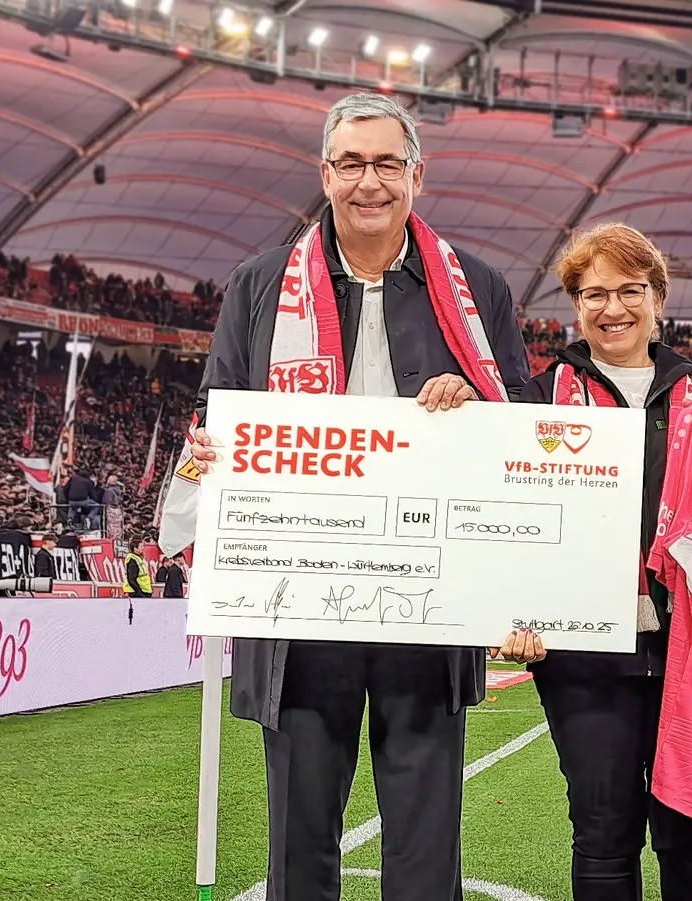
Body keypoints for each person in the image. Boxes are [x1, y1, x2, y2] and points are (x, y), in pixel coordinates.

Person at [186, 92, 530, 901]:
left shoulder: (475, 287)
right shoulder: (261, 283)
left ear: (417, 173)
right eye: (350, 163)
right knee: (299, 841)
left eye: (385, 163)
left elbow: (521, 427)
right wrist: (209, 448)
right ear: (325, 173)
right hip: (300, 610)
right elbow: (220, 410)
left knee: (423, 842)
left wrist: (477, 407)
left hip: (429, 606)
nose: (367, 181)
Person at [505, 223, 692, 900]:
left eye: (630, 290)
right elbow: (509, 521)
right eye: (594, 293)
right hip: (582, 654)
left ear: (658, 297)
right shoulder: (538, 397)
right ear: (574, 305)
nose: (613, 309)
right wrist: (510, 612)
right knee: (603, 828)